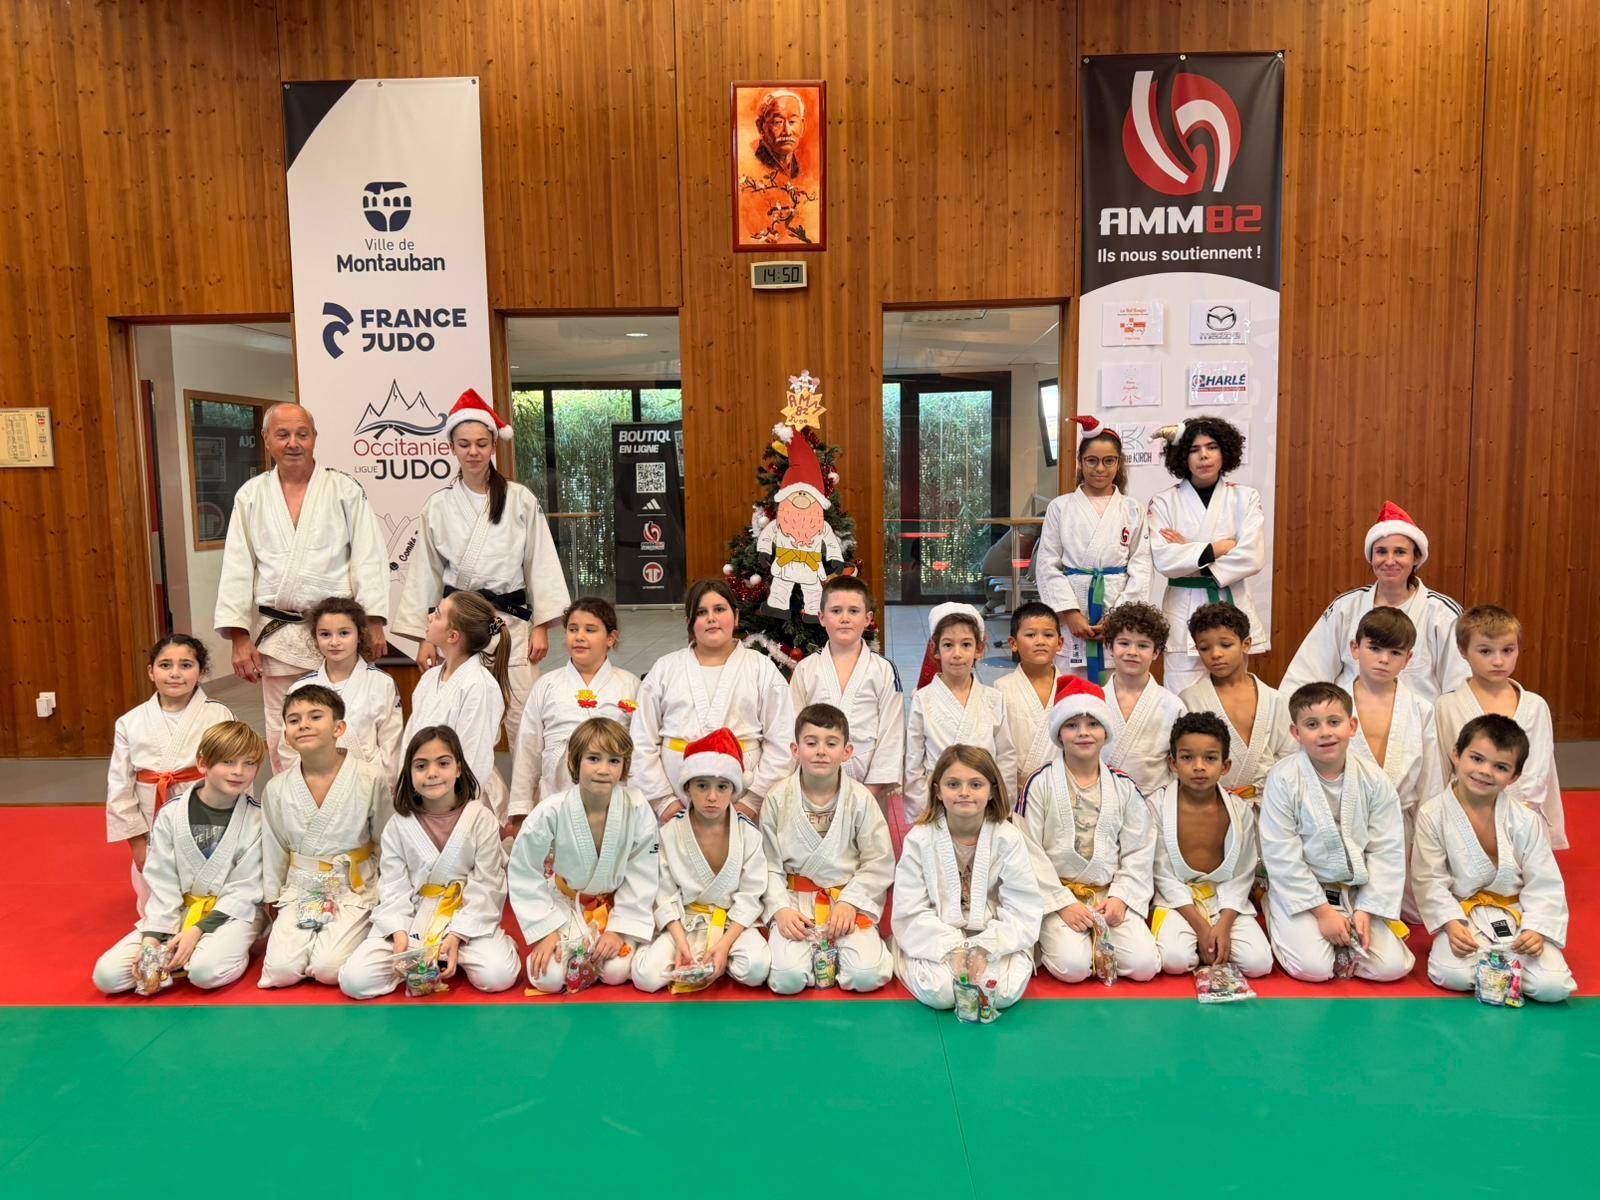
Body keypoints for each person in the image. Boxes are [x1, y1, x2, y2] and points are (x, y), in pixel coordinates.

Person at [214, 402, 388, 772]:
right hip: (279, 635)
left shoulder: (344, 490)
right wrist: (239, 637)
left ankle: (352, 800)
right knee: (285, 730)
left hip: (336, 632)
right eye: (283, 435)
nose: (293, 443)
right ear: (266, 440)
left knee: (346, 723)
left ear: (314, 438)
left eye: (302, 434)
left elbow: (369, 557)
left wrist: (373, 622)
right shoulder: (251, 495)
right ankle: (293, 802)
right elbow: (237, 567)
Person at [394, 388, 569, 748]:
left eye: (480, 443)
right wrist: (426, 638)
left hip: (511, 622)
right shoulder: (438, 505)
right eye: (464, 444)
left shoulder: (519, 499)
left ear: (493, 446)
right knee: (461, 718)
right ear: (452, 448)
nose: (473, 451)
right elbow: (426, 572)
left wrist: (540, 626)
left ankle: (528, 786)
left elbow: (539, 563)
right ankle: (468, 784)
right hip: (458, 626)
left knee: (523, 718)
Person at [338, 726, 520, 999]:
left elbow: (487, 885)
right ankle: (435, 957)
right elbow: (393, 887)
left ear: (458, 768)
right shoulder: (399, 825)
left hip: (465, 918)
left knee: (498, 975)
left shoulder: (480, 819)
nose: (432, 773)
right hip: (412, 918)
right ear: (409, 774)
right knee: (355, 980)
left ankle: (460, 949)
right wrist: (400, 936)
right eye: (421, 766)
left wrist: (457, 935)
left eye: (443, 763)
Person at [92, 722, 268, 995]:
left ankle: (212, 951)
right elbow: (162, 881)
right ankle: (182, 952)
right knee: (107, 976)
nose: (238, 771)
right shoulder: (171, 814)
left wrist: (197, 931)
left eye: (249, 763)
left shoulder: (257, 818)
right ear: (203, 763)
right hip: (178, 911)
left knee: (204, 972)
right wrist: (152, 939)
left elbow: (245, 888)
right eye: (228, 761)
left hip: (233, 914)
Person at [1412, 716, 1576, 1002]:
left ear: (1514, 776)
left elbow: (1544, 881)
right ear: (1456, 754)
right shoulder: (1433, 814)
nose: (1485, 771)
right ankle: (1505, 968)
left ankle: (1499, 966)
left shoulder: (1525, 820)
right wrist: (1450, 923)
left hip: (1517, 915)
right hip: (1464, 916)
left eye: (1500, 767)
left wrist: (1536, 929)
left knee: (1554, 987)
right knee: (1451, 974)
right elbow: (1429, 879)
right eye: (1476, 759)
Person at [1258, 683, 1414, 983]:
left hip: (1355, 891)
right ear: (1296, 733)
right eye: (1312, 725)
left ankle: (1349, 924)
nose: (1325, 733)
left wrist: (1367, 909)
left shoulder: (1374, 780)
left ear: (1352, 726)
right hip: (1304, 891)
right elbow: (1281, 852)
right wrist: (1322, 912)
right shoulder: (1283, 779)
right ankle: (1274, 904)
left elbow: (1386, 849)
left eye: (1334, 722)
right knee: (1313, 969)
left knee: (1392, 968)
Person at [1017, 676, 1159, 983]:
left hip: (1107, 894)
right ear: (1059, 733)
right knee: (1073, 967)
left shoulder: (1123, 786)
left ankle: (1098, 934)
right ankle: (1063, 939)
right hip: (1059, 895)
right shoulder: (1039, 784)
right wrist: (1063, 904)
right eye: (1072, 725)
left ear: (1105, 731)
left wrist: (1121, 897)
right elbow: (1028, 851)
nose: (1083, 732)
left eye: (1093, 724)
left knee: (1145, 965)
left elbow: (1139, 849)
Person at [509, 718, 660, 993]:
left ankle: (607, 941)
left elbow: (644, 869)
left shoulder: (637, 807)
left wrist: (618, 929)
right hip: (567, 902)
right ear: (574, 760)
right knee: (547, 978)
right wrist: (546, 931)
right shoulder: (551, 810)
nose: (603, 769)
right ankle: (566, 941)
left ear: (624, 765)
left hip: (615, 904)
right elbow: (523, 868)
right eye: (593, 758)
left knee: (616, 971)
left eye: (614, 761)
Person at [258, 685, 391, 988]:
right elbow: (274, 848)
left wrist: (389, 898)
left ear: (338, 728)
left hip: (353, 886)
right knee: (280, 971)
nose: (303, 724)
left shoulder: (370, 778)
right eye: (294, 720)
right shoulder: (276, 789)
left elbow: (387, 841)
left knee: (328, 968)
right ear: (286, 735)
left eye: (315, 716)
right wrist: (272, 900)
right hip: (300, 887)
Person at [893, 745, 1044, 1011]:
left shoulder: (1008, 838)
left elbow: (1022, 908)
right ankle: (903, 953)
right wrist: (953, 948)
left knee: (1001, 993)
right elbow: (910, 910)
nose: (964, 792)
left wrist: (985, 947)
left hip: (993, 933)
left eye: (976, 784)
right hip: (936, 933)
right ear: (937, 791)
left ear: (992, 791)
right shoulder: (920, 839)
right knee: (941, 994)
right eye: (953, 784)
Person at [631, 580, 795, 821]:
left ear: (736, 616)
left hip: (743, 797)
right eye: (701, 612)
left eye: (719, 609)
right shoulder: (665, 669)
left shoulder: (761, 668)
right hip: (676, 798)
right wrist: (663, 801)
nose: (711, 618)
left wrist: (753, 800)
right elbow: (641, 739)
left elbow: (782, 739)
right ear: (688, 622)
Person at [761, 704, 896, 993]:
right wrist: (780, 909)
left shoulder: (860, 799)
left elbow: (878, 862)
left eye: (831, 743)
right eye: (811, 743)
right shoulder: (777, 798)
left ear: (846, 752)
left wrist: (851, 902)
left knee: (866, 975)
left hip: (846, 903)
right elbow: (768, 865)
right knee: (786, 977)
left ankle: (855, 952)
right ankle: (811, 957)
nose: (821, 751)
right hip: (795, 904)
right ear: (795, 750)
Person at [1279, 501, 1467, 703]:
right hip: (1351, 720)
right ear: (1371, 557)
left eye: (1400, 552)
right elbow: (1305, 675)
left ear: (1416, 557)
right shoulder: (1345, 608)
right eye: (1381, 552)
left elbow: (1460, 689)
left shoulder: (1442, 613)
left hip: (1420, 722)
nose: (1389, 561)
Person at [632, 730, 772, 992]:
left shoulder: (748, 834)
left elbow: (751, 894)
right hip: (685, 922)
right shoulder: (668, 833)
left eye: (722, 787)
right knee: (645, 977)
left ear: (734, 790)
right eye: (702, 786)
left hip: (731, 923)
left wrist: (725, 945)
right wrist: (680, 941)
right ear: (687, 787)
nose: (712, 797)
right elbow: (663, 893)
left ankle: (716, 956)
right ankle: (696, 956)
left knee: (756, 968)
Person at [105, 635, 234, 911]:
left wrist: (236, 826)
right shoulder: (130, 722)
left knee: (208, 893)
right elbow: (120, 786)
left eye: (186, 665)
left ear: (201, 671)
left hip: (205, 813)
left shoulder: (218, 715)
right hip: (152, 817)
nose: (175, 673)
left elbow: (236, 773)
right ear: (151, 671)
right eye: (165, 665)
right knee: (155, 899)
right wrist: (137, 842)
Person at [1144, 417, 1267, 694]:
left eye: (1212, 447)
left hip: (1230, 603)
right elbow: (1164, 559)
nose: (1204, 456)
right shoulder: (1164, 501)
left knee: (1232, 692)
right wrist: (1216, 548)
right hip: (1183, 609)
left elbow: (1252, 555)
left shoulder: (1245, 497)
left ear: (1225, 451)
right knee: (1183, 698)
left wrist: (1190, 550)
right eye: (1194, 449)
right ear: (1182, 456)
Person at [1434, 605, 1566, 849]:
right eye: (1485, 651)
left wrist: (1525, 816)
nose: (1498, 661)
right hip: (1466, 821)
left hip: (1525, 820)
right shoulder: (1446, 706)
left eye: (1508, 650)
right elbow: (1438, 773)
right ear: (1462, 651)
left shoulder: (1535, 705)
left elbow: (1542, 770)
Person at [1151, 713, 1273, 977]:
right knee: (1175, 960)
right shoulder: (1156, 806)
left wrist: (1224, 925)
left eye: (1210, 758)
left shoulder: (1239, 810)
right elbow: (1161, 873)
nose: (1199, 767)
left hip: (1224, 900)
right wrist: (1201, 927)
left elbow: (1242, 873)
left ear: (1225, 765)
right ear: (1173, 762)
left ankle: (1211, 941)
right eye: (1187, 758)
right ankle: (1197, 940)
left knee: (1259, 963)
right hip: (1177, 900)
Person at [1033, 416, 1150, 680]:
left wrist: (1118, 616)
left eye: (1109, 461)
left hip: (1116, 603)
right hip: (1074, 607)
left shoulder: (1132, 509)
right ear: (1080, 462)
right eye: (1092, 461)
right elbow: (1048, 564)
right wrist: (1070, 613)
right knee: (1071, 680)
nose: (1100, 468)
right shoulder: (1060, 507)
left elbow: (1141, 566)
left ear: (1118, 463)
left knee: (1118, 679)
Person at [507, 598, 640, 827]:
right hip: (556, 799)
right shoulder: (546, 685)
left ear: (611, 638)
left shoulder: (630, 685)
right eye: (572, 629)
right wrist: (521, 808)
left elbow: (640, 749)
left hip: (615, 801)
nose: (579, 637)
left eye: (590, 630)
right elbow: (528, 747)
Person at [788, 575, 904, 809]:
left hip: (868, 787)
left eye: (853, 611)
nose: (844, 618)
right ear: (821, 618)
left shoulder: (883, 670)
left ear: (868, 619)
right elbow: (791, 727)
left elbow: (892, 731)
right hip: (814, 784)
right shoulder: (806, 669)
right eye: (836, 611)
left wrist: (871, 790)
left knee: (866, 834)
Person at [1345, 609, 1443, 877]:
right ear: (1355, 648)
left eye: (1395, 652)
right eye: (1375, 648)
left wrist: (1427, 844)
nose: (1384, 659)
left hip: (1399, 830)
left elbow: (1430, 783)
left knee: (1402, 897)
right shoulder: (1331, 706)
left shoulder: (1421, 709)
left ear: (1408, 659)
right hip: (1341, 826)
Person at [400, 590, 511, 825]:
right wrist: (407, 789)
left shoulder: (479, 686)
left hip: (463, 803)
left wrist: (450, 811)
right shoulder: (429, 678)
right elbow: (410, 739)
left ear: (452, 636)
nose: (430, 617)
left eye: (438, 614)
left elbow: (474, 757)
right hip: (423, 792)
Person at [904, 602, 1017, 820]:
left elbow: (1006, 757)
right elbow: (913, 760)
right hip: (937, 802)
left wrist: (1002, 805)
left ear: (979, 649)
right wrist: (923, 810)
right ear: (935, 650)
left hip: (984, 801)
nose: (957, 654)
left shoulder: (993, 699)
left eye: (966, 644)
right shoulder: (923, 699)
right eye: (948, 645)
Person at [280, 596, 403, 786]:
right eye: (325, 634)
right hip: (316, 786)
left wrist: (378, 785)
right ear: (315, 638)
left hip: (370, 785)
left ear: (360, 635)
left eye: (344, 633)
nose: (334, 642)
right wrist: (310, 784)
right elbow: (288, 748)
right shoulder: (299, 689)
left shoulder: (381, 683)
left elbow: (392, 745)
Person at [1178, 602, 1293, 798]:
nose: (1215, 654)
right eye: (1205, 648)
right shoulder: (1189, 700)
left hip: (1270, 804)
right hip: (1210, 804)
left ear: (1246, 644)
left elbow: (1290, 759)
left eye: (1226, 645)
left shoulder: (1276, 700)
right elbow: (1184, 760)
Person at [1097, 602, 1185, 794]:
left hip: (1153, 804)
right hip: (1101, 800)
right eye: (1124, 643)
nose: (1132, 652)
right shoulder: (1094, 701)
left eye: (1143, 645)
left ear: (1156, 652)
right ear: (1109, 646)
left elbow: (1182, 764)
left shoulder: (1172, 705)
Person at [995, 602, 1064, 802]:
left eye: (1048, 635)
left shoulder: (1071, 688)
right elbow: (1000, 750)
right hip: (1017, 792)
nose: (1040, 641)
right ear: (1013, 643)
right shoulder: (1001, 689)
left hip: (1062, 788)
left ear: (1060, 643)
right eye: (1031, 635)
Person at [753, 89, 806, 176]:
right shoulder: (754, 166)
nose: (787, 132)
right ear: (760, 126)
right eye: (777, 122)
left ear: (802, 126)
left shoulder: (796, 169)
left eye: (792, 122)